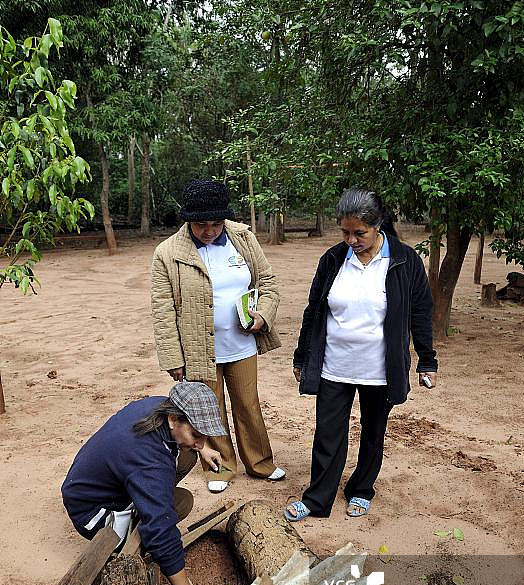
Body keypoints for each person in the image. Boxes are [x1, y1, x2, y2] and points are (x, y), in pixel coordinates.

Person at [284, 187, 438, 522]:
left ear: (377, 225)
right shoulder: (333, 259)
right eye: (345, 232)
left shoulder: (404, 260)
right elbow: (314, 311)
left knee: (373, 431)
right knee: (327, 433)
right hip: (334, 364)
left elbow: (421, 312)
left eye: (359, 233)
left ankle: (361, 489)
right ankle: (317, 498)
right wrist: (302, 356)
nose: (351, 240)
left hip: (379, 367)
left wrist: (428, 360)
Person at [151, 178, 285, 493]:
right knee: (209, 409)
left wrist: (262, 315)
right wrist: (173, 357)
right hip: (196, 349)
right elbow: (162, 309)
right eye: (201, 225)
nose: (209, 230)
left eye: (216, 223)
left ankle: (260, 462)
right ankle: (220, 466)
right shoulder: (168, 253)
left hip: (241, 344)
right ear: (187, 221)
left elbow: (268, 282)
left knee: (248, 403)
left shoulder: (243, 238)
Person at [61, 381, 226, 585]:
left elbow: (184, 441)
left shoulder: (160, 406)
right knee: (179, 505)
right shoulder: (148, 458)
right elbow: (161, 531)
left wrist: (202, 448)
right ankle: (136, 520)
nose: (201, 442)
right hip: (92, 512)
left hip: (95, 482)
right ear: (172, 419)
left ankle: (149, 498)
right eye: (197, 435)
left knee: (187, 456)